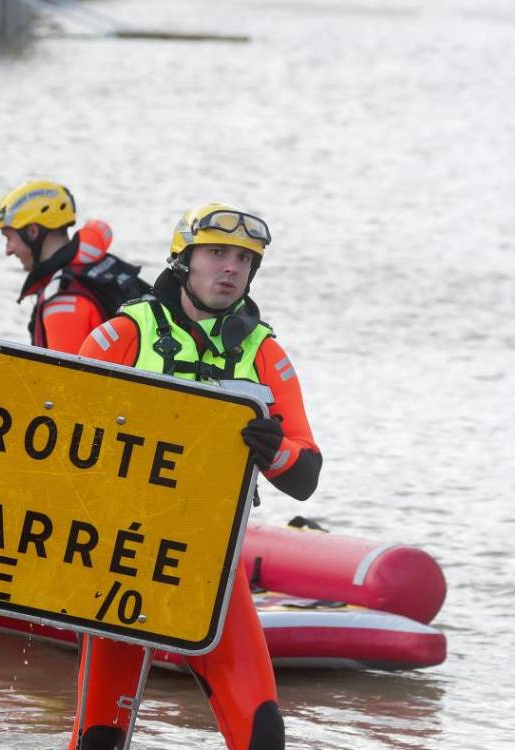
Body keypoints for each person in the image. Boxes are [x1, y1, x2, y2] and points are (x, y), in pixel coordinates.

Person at [71, 203, 323, 750]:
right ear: (184, 260)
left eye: (243, 258)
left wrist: (271, 449)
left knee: (263, 734)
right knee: (99, 738)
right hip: (119, 552)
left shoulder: (266, 354)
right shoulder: (121, 336)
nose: (230, 268)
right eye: (216, 253)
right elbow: (61, 439)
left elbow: (305, 474)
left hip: (210, 559)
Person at [0, 180, 120, 354]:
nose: (8, 250)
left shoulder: (62, 303)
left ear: (32, 232)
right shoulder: (100, 266)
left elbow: (66, 379)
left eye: (8, 237)